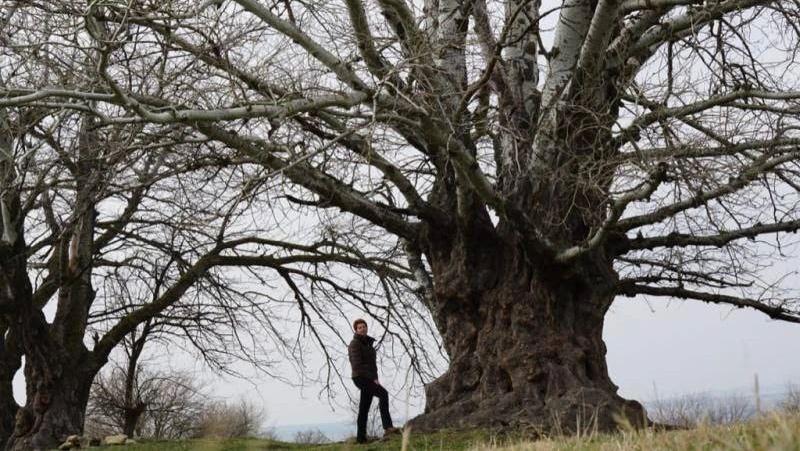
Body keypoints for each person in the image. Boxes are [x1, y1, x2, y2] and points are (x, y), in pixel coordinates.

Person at [348, 318, 400, 443]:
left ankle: (361, 438)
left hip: (369, 378)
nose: (362, 329)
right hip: (360, 377)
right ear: (356, 330)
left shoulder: (369, 345)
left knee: (364, 408)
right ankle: (388, 427)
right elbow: (357, 364)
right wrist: (372, 378)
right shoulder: (354, 344)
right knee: (383, 394)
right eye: (359, 327)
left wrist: (375, 378)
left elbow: (372, 365)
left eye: (364, 326)